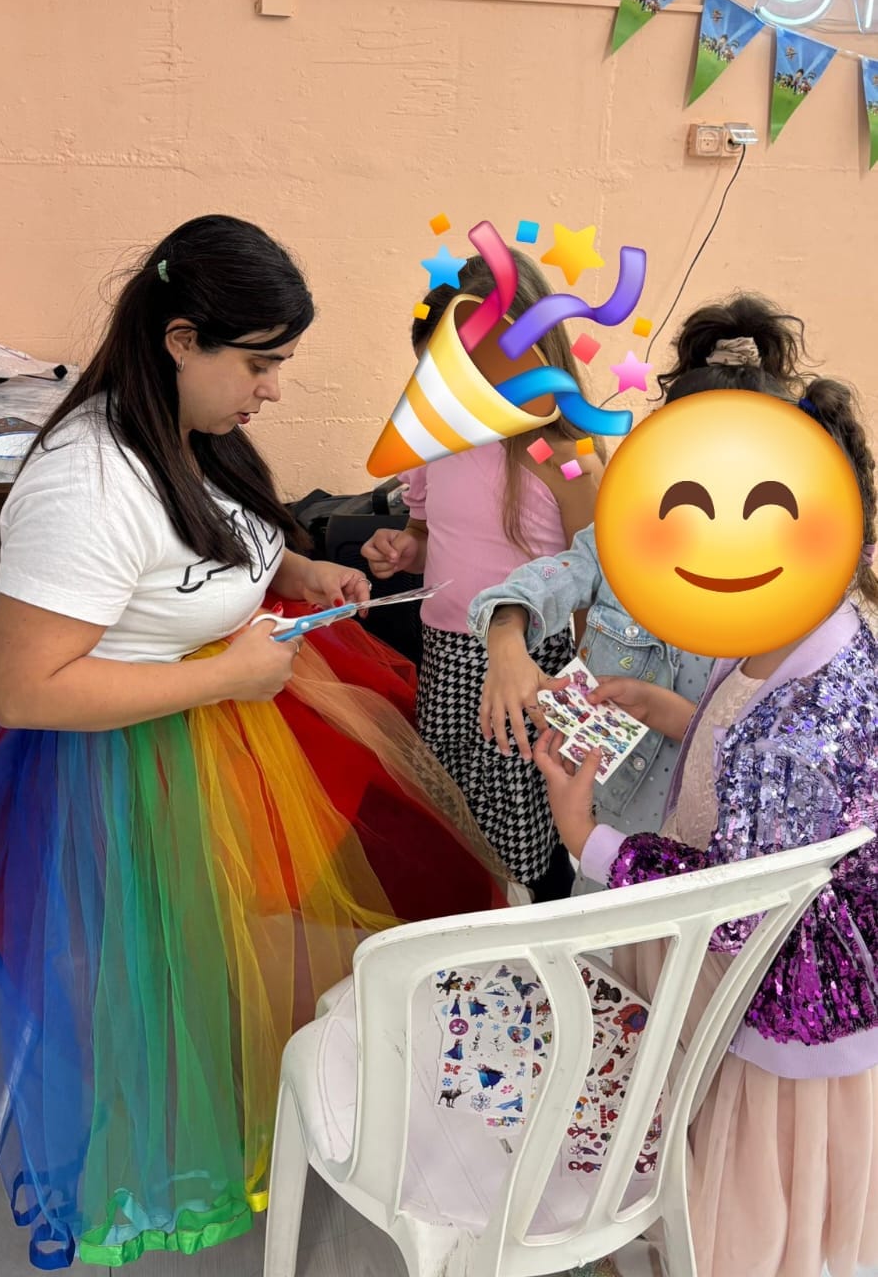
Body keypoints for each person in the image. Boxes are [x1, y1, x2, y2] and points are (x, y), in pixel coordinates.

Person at [0, 215, 511, 1271]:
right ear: (181, 340)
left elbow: (201, 546)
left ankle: (308, 1095)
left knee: (252, 929)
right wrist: (227, 672)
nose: (272, 390)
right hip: (126, 759)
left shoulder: (192, 431)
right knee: (159, 968)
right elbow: (26, 688)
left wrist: (293, 574)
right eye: (261, 363)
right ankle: (176, 1164)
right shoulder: (86, 481)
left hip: (224, 714)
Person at [534, 368, 878, 1277]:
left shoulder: (806, 719)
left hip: (763, 994)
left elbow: (741, 901)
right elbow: (753, 764)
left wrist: (587, 838)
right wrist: (666, 708)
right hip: (734, 957)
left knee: (733, 1221)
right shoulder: (792, 626)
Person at [469, 294, 808, 846]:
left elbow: (779, 754)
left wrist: (668, 713)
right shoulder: (620, 542)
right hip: (606, 822)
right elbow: (543, 582)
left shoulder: (796, 588)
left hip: (711, 840)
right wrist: (507, 639)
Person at [362, 250, 605, 899]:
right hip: (444, 658)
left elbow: (594, 582)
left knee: (526, 839)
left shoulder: (565, 454)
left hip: (528, 672)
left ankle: (540, 932)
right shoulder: (433, 440)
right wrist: (403, 548)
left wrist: (581, 696)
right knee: (454, 824)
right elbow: (426, 533)